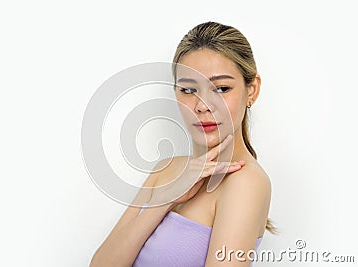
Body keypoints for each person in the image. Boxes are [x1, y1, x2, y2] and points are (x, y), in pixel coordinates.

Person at [90, 21, 276, 267]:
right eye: (188, 90)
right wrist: (168, 198)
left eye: (221, 88)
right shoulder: (165, 169)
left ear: (251, 90)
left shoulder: (246, 183)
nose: (202, 105)